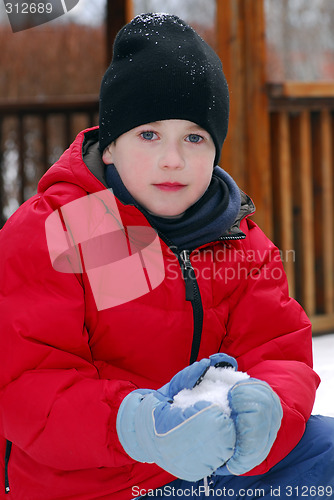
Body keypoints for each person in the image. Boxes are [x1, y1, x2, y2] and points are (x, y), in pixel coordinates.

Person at [0, 12, 333, 500]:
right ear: (110, 146)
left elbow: (277, 347)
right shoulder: (62, 232)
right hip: (98, 480)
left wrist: (273, 406)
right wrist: (138, 426)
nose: (173, 159)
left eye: (194, 137)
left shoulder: (237, 239)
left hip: (218, 467)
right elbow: (28, 384)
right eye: (149, 134)